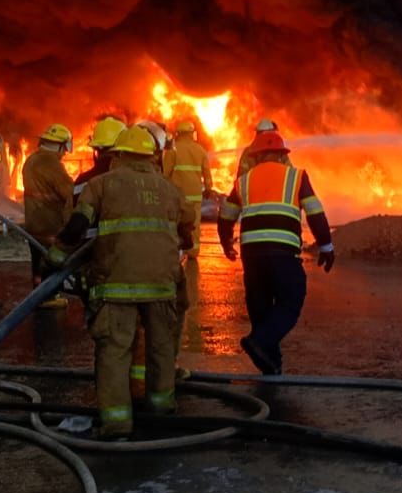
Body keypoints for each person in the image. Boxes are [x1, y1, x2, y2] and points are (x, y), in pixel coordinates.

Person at [51, 126, 192, 439]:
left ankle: (116, 424)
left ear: (118, 155)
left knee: (114, 352)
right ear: (151, 157)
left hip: (116, 286)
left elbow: (77, 225)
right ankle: (161, 409)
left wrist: (55, 256)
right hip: (161, 285)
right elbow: (187, 226)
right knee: (161, 348)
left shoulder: (101, 185)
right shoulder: (169, 189)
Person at [217, 130, 333, 375]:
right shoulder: (297, 176)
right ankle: (260, 343)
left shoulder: (243, 181)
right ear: (282, 155)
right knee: (291, 299)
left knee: (260, 306)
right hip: (283, 253)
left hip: (252, 257)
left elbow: (226, 216)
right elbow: (314, 212)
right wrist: (326, 245)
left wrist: (226, 243)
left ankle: (271, 365)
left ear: (256, 156)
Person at [24, 124, 75, 301]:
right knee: (52, 263)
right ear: (60, 145)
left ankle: (38, 297)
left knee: (37, 263)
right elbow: (68, 192)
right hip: (50, 225)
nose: (65, 153)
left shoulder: (31, 160)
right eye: (64, 148)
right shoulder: (51, 164)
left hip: (34, 223)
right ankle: (49, 298)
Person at [162, 120, 212, 256]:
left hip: (178, 195)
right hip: (195, 194)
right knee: (194, 222)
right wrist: (208, 187)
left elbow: (165, 173)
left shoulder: (173, 149)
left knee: (177, 222)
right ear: (191, 134)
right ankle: (193, 251)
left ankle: (177, 250)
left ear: (178, 134)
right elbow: (207, 172)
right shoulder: (200, 150)